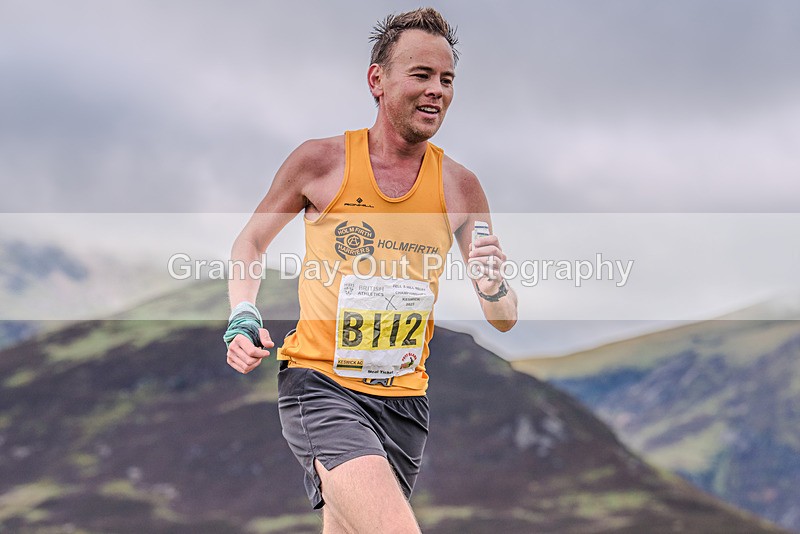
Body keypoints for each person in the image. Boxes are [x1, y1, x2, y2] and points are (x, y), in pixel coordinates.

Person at [224, 7, 517, 533]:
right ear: (377, 80)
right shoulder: (321, 162)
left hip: (404, 405)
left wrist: (494, 284)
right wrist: (242, 313)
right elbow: (251, 241)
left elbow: (504, 317)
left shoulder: (461, 187)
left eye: (447, 79)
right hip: (322, 387)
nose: (437, 91)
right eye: (422, 75)